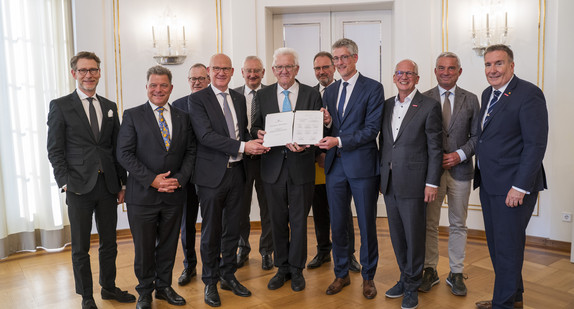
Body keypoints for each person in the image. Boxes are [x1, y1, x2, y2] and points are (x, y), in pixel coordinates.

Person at [47, 51, 136, 309]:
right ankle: (87, 295)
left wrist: (123, 183)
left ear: (99, 72)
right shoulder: (60, 105)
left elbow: (117, 148)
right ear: (74, 73)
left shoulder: (109, 106)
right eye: (83, 70)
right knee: (81, 247)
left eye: (93, 70)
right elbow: (55, 149)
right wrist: (64, 181)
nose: (89, 75)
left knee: (109, 243)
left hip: (107, 186)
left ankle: (108, 287)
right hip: (77, 187)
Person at [189, 53, 267, 307]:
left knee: (234, 228)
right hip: (211, 176)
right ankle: (210, 282)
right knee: (211, 232)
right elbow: (206, 136)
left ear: (233, 72)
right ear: (209, 71)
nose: (221, 73)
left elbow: (240, 132)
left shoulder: (238, 97)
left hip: (238, 173)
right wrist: (245, 146)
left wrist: (256, 135)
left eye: (226, 69)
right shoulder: (197, 99)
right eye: (216, 69)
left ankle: (228, 275)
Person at [474, 44, 548, 309]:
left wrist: (519, 186)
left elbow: (535, 145)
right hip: (490, 183)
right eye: (488, 64)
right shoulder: (488, 93)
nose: (492, 70)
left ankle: (502, 304)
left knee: (506, 247)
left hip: (513, 187)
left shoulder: (529, 94)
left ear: (512, 65)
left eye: (499, 63)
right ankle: (513, 299)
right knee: (498, 245)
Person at [116, 65, 196, 309]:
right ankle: (144, 291)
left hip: (174, 193)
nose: (158, 89)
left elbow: (191, 151)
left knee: (169, 245)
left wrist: (179, 179)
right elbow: (124, 153)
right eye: (153, 85)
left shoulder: (184, 116)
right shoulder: (132, 115)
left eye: (163, 85)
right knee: (144, 248)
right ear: (147, 87)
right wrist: (152, 179)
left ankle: (164, 287)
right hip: (142, 196)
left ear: (171, 88)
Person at [316, 38, 384, 299]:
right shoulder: (330, 91)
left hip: (363, 167)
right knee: (339, 223)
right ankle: (341, 273)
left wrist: (338, 140)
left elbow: (371, 130)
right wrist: (330, 122)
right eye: (336, 58)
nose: (339, 63)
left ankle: (368, 277)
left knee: (366, 223)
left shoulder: (373, 88)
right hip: (335, 167)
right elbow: (336, 127)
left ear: (355, 58)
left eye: (344, 57)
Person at [252, 47, 322, 292]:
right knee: (277, 220)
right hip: (272, 168)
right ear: (273, 70)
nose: (284, 71)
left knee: (299, 221)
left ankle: (297, 269)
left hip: (301, 167)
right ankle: (281, 268)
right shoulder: (262, 96)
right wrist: (258, 133)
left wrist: (306, 144)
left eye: (288, 66)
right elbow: (255, 128)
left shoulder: (312, 94)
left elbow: (317, 130)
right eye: (279, 67)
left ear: (296, 69)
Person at [380, 60, 442, 309]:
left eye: (409, 73)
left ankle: (413, 285)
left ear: (417, 78)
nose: (404, 77)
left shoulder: (429, 106)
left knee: (414, 236)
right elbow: (385, 144)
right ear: (394, 77)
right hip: (390, 182)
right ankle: (405, 277)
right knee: (396, 236)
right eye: (400, 73)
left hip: (416, 183)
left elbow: (435, 149)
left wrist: (431, 183)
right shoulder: (385, 106)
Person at [419, 52, 480, 296]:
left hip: (461, 171)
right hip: (431, 174)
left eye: (451, 68)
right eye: (441, 68)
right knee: (429, 224)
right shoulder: (423, 99)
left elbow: (477, 137)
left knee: (458, 224)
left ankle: (456, 272)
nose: (446, 72)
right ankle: (429, 270)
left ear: (459, 72)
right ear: (435, 71)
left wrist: (460, 155)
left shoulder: (471, 99)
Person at [307, 51, 360, 273]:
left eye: (326, 67)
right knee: (319, 208)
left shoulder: (343, 90)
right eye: (318, 68)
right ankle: (323, 250)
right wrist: (316, 153)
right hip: (316, 160)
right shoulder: (309, 94)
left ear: (334, 67)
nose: (322, 72)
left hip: (339, 159)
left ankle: (349, 255)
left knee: (342, 210)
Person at [233, 56, 274, 270]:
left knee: (268, 207)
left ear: (263, 72)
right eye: (248, 71)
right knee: (241, 208)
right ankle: (243, 248)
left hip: (268, 159)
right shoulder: (232, 96)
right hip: (241, 160)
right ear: (242, 72)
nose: (252, 74)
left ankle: (267, 250)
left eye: (257, 70)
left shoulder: (271, 93)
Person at [172, 63, 210, 286]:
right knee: (187, 224)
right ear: (188, 81)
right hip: (185, 176)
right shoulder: (177, 105)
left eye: (201, 78)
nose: (196, 82)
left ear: (208, 79)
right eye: (192, 79)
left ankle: (213, 263)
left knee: (212, 222)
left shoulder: (216, 103)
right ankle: (190, 266)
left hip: (211, 175)